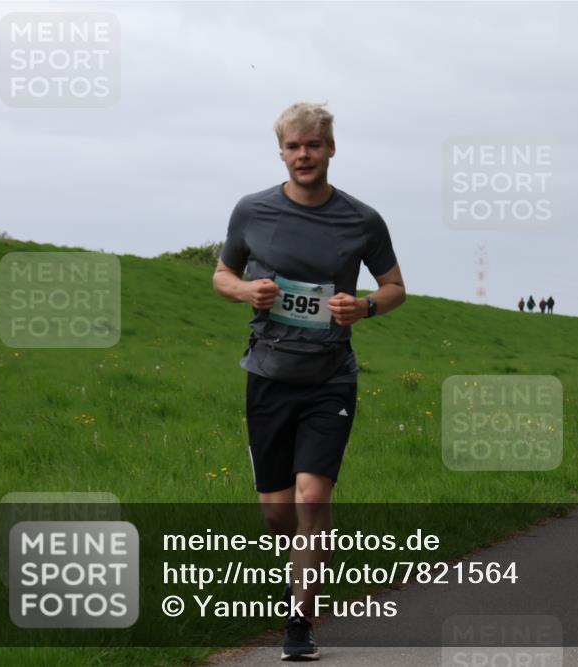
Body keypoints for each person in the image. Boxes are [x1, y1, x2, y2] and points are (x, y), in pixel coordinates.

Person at [212, 102, 405, 661]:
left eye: (313, 146)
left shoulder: (361, 220)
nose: (304, 155)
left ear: (331, 149)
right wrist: (246, 291)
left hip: (330, 377)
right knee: (277, 511)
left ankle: (300, 620)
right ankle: (296, 572)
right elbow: (223, 274)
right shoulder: (251, 211)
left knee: (313, 496)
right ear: (281, 151)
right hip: (268, 375)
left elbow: (395, 287)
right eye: (294, 147)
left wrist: (364, 307)